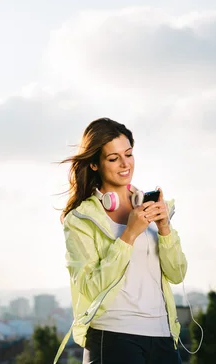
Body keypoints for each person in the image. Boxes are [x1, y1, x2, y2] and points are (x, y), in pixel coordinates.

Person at [53, 118, 187, 364]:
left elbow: (177, 274)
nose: (125, 164)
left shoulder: (152, 207)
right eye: (113, 158)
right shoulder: (81, 220)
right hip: (113, 335)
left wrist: (165, 228)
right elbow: (91, 288)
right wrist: (129, 235)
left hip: (162, 335)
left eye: (128, 154)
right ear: (94, 164)